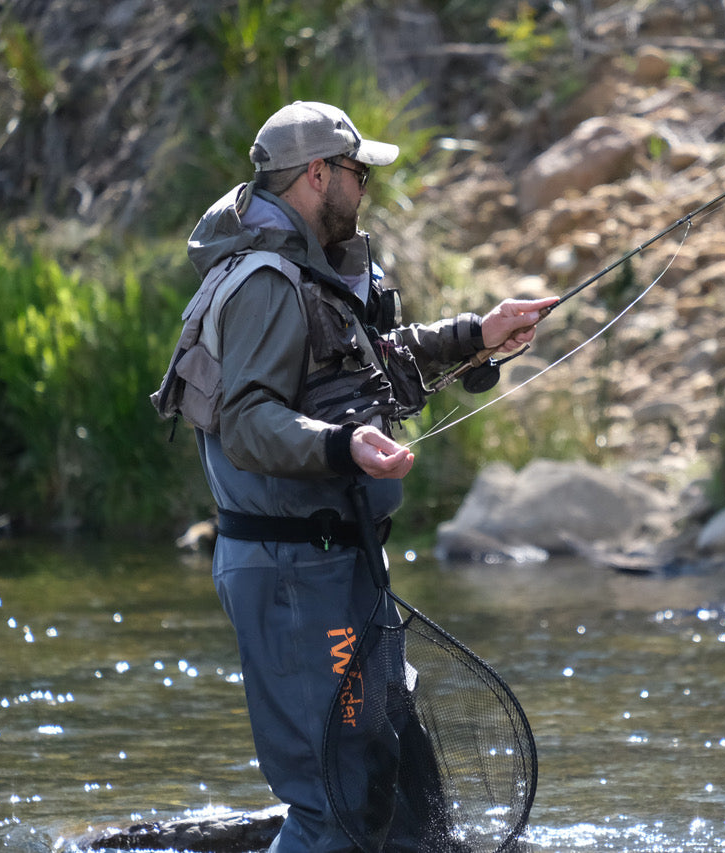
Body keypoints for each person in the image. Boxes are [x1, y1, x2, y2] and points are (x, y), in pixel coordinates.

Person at [151, 101, 555, 852]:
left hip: (340, 567)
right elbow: (248, 421)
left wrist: (476, 333)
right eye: (356, 172)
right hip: (293, 576)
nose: (363, 186)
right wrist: (347, 447)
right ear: (316, 174)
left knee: (403, 804)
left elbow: (374, 358)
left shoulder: (314, 268)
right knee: (334, 808)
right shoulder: (266, 284)